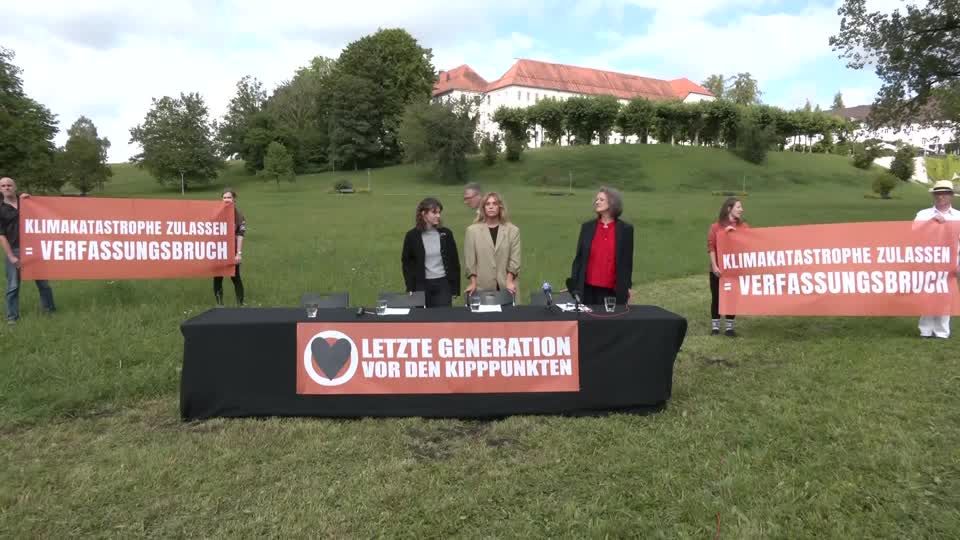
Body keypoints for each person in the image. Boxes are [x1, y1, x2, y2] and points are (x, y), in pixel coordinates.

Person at [0, 177, 55, 324]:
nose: (6, 187)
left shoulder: (26, 202)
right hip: (15, 250)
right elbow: (1, 236)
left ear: (15, 187)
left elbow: (46, 214)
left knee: (43, 284)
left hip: (35, 249)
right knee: (13, 285)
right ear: (0, 189)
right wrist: (11, 256)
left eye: (9, 185)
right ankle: (12, 317)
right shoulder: (0, 210)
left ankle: (49, 311)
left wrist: (31, 200)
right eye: (3, 186)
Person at [569, 187, 634, 305]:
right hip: (587, 289)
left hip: (612, 291)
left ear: (613, 203)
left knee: (609, 322)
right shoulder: (587, 227)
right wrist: (574, 284)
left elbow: (627, 262)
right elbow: (579, 258)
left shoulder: (626, 230)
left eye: (601, 199)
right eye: (596, 199)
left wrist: (627, 287)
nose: (597, 202)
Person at [915, 180, 960, 338]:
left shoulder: (958, 217)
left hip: (950, 261)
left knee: (945, 296)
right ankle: (925, 330)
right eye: (938, 193)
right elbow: (913, 233)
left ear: (951, 196)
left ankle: (941, 332)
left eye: (945, 193)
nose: (941, 196)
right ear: (934, 195)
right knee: (927, 295)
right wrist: (931, 222)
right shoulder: (923, 214)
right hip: (927, 260)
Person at [401, 197, 461, 308]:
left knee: (442, 319)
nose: (438, 215)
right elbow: (407, 264)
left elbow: (454, 261)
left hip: (443, 284)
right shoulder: (412, 236)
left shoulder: (446, 234)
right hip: (421, 285)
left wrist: (455, 289)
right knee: (422, 321)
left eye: (439, 212)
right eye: (434, 212)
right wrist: (410, 287)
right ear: (423, 214)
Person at [463, 192, 521, 298]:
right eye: (487, 204)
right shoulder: (472, 231)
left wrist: (509, 281)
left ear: (500, 207)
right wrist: (473, 282)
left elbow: (515, 260)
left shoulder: (512, 230)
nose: (491, 207)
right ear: (483, 208)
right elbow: (470, 262)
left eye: (494, 204)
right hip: (482, 287)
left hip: (506, 285)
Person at [708, 197, 748, 337]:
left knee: (732, 297)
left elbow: (749, 243)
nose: (741, 210)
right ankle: (715, 327)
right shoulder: (715, 227)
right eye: (738, 207)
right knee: (717, 297)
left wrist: (735, 235)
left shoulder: (743, 227)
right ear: (729, 209)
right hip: (718, 270)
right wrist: (714, 266)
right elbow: (711, 247)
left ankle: (730, 328)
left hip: (735, 269)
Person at [214, 188, 246, 306]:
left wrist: (238, 253)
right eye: (225, 197)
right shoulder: (215, 214)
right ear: (221, 199)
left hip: (232, 252)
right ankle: (219, 305)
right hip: (218, 251)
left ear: (234, 199)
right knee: (218, 278)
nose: (227, 199)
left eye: (229, 197)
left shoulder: (239, 216)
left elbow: (240, 235)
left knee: (236, 278)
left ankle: (240, 304)